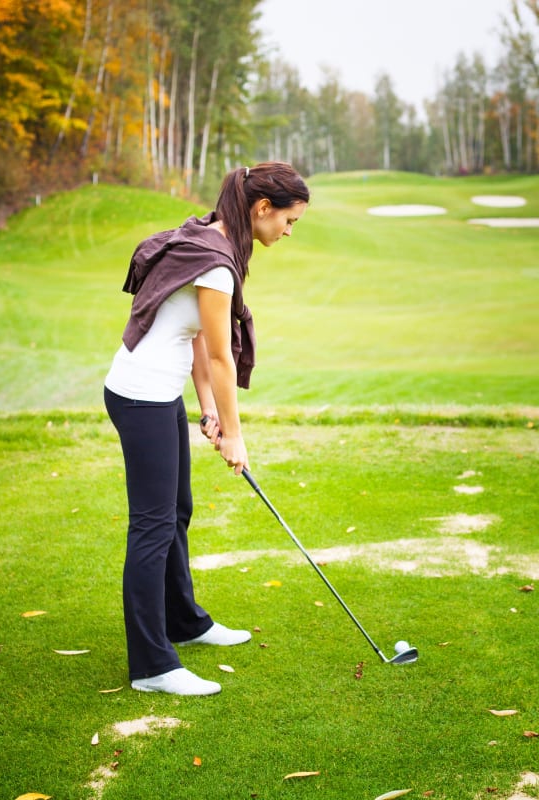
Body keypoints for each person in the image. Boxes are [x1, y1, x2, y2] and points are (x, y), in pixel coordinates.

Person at [104, 162, 310, 696]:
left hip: (158, 392)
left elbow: (195, 339)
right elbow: (221, 357)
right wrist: (235, 436)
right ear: (262, 209)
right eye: (289, 221)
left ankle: (184, 622)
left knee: (176, 511)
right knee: (151, 527)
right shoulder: (218, 265)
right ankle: (152, 665)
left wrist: (208, 409)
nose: (289, 232)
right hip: (140, 396)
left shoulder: (210, 239)